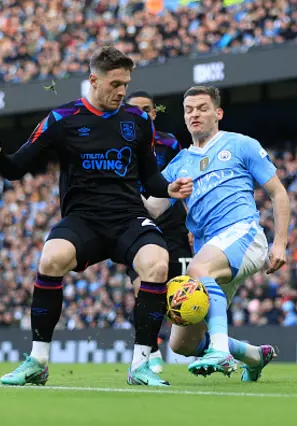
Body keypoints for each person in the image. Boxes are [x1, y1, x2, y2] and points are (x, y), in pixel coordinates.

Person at [0, 46, 192, 387]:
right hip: (84, 219)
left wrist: (170, 189)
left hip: (128, 217)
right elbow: (17, 168)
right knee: (51, 259)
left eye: (126, 83)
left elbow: (151, 179)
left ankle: (141, 365)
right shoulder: (62, 119)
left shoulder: (137, 122)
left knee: (157, 263)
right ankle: (38, 361)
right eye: (115, 83)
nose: (122, 91)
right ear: (94, 80)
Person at [142, 86, 290, 382]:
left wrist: (281, 243)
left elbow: (278, 193)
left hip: (244, 234)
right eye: (189, 110)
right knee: (182, 344)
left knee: (198, 268)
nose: (195, 114)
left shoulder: (241, 145)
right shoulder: (180, 164)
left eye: (202, 108)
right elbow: (153, 209)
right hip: (210, 250)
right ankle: (253, 355)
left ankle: (220, 352)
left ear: (218, 113)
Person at [124, 90, 193, 375]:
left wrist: (193, 225)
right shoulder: (118, 145)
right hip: (139, 223)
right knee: (143, 287)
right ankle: (149, 348)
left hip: (174, 225)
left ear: (154, 113)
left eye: (147, 109)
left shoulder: (170, 142)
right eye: (135, 109)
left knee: (182, 293)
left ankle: (205, 346)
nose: (142, 114)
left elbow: (184, 181)